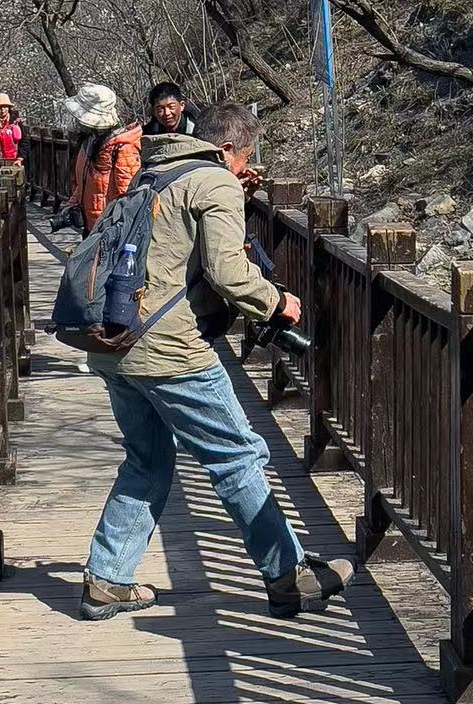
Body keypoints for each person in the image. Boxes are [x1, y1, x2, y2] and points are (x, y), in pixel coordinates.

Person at [79, 101, 353, 623]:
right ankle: (288, 575)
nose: (244, 167)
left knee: (147, 461)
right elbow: (228, 272)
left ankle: (107, 579)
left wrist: (233, 192)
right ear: (227, 148)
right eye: (244, 157)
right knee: (237, 457)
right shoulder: (214, 182)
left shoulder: (152, 174)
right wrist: (277, 301)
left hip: (115, 343)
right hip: (171, 351)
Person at [65, 83, 143, 233]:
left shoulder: (123, 148)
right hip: (92, 226)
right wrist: (71, 205)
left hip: (109, 228)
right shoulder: (90, 142)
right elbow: (84, 182)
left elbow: (128, 195)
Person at [0, 93, 22, 162]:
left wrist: (20, 157)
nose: (2, 109)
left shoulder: (16, 122)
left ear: (9, 108)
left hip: (14, 161)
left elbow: (24, 142)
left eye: (5, 107)